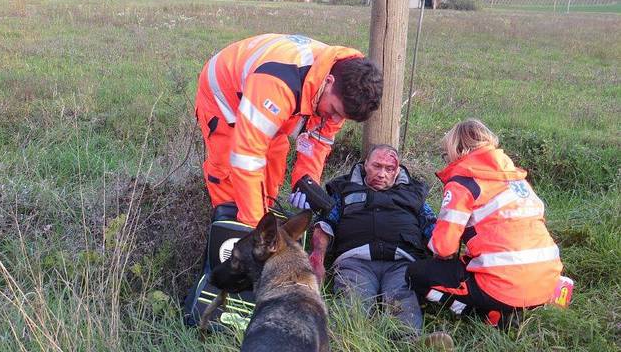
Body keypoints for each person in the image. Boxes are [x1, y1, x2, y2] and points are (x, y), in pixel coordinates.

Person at [195, 33, 383, 226]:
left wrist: (305, 182)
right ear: (329, 81)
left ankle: (263, 212)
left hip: (266, 99)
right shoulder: (278, 82)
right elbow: (246, 156)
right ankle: (230, 228)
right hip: (225, 97)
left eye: (343, 117)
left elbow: (317, 143)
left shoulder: (343, 89)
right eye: (334, 111)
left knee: (273, 160)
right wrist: (256, 229)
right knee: (229, 174)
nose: (335, 120)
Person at [406, 119, 564, 327]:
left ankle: (487, 315)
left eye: (446, 154)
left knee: (416, 274)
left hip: (505, 287)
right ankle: (524, 306)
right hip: (548, 280)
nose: (446, 160)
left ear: (457, 149)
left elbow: (443, 248)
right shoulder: (516, 179)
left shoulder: (463, 182)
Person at [304, 144, 437, 335]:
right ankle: (343, 343)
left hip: (402, 263)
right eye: (377, 166)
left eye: (389, 169)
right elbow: (325, 224)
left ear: (397, 170)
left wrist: (446, 259)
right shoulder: (343, 189)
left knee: (403, 304)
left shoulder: (413, 193)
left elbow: (432, 226)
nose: (382, 174)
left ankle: (410, 342)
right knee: (352, 306)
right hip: (355, 262)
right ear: (366, 164)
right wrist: (317, 258)